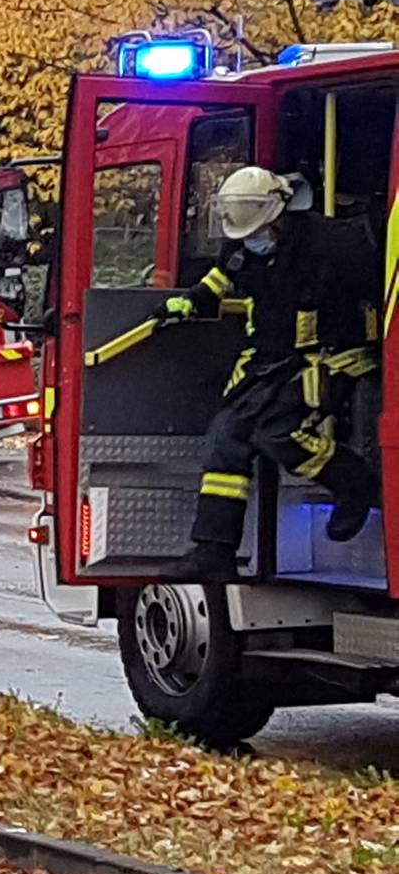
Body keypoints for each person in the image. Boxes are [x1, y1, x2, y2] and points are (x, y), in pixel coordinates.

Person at [160, 166, 382, 578]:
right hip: (268, 362)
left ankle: (354, 484)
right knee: (225, 436)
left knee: (277, 433)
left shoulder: (335, 246)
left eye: (258, 232)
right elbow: (220, 279)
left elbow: (383, 291)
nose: (252, 242)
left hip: (334, 358)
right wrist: (189, 302)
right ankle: (214, 551)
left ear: (280, 214)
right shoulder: (242, 243)